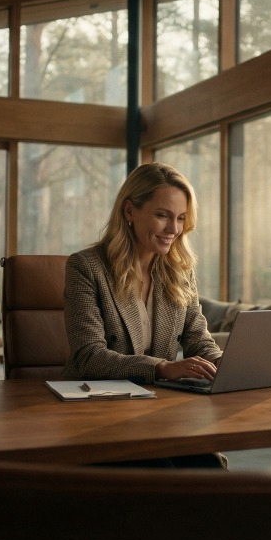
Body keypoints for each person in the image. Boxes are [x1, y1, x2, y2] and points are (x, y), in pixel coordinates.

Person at [63, 162, 226, 469]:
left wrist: (223, 365)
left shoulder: (179, 270)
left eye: (180, 219)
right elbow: (89, 356)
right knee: (162, 472)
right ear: (129, 211)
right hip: (99, 413)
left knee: (209, 468)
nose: (173, 230)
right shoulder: (86, 267)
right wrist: (163, 368)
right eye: (163, 215)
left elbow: (197, 338)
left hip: (159, 412)